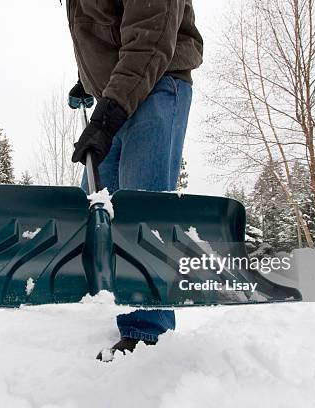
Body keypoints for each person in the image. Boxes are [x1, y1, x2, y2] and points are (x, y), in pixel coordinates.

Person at [65, 0, 203, 360]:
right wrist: (88, 79)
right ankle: (116, 300)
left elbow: (151, 38)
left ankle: (146, 330)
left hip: (157, 80)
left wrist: (107, 115)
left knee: (141, 206)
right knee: (97, 203)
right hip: (118, 88)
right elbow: (110, 24)